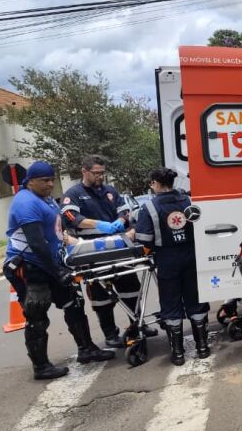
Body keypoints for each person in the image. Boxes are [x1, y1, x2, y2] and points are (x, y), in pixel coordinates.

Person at [4, 161, 114, 380]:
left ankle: (87, 349)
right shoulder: (25, 202)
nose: (50, 184)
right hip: (30, 265)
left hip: (51, 263)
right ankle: (41, 366)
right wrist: (57, 270)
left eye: (52, 179)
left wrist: (80, 245)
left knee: (74, 304)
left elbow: (57, 234)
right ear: (31, 181)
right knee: (37, 314)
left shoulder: (47, 200)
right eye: (45, 180)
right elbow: (36, 243)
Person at [61, 155, 157, 347]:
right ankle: (110, 333)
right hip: (92, 251)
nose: (100, 177)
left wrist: (120, 222)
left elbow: (125, 211)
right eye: (96, 173)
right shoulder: (74, 193)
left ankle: (138, 325)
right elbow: (71, 216)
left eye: (102, 173)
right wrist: (100, 225)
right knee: (101, 297)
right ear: (84, 171)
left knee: (131, 289)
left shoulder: (110, 191)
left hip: (118, 247)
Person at [134, 167, 210, 365]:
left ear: (156, 184)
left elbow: (145, 240)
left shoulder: (149, 208)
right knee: (196, 299)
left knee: (171, 303)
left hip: (167, 260)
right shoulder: (189, 201)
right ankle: (203, 348)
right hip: (192, 256)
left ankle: (178, 353)